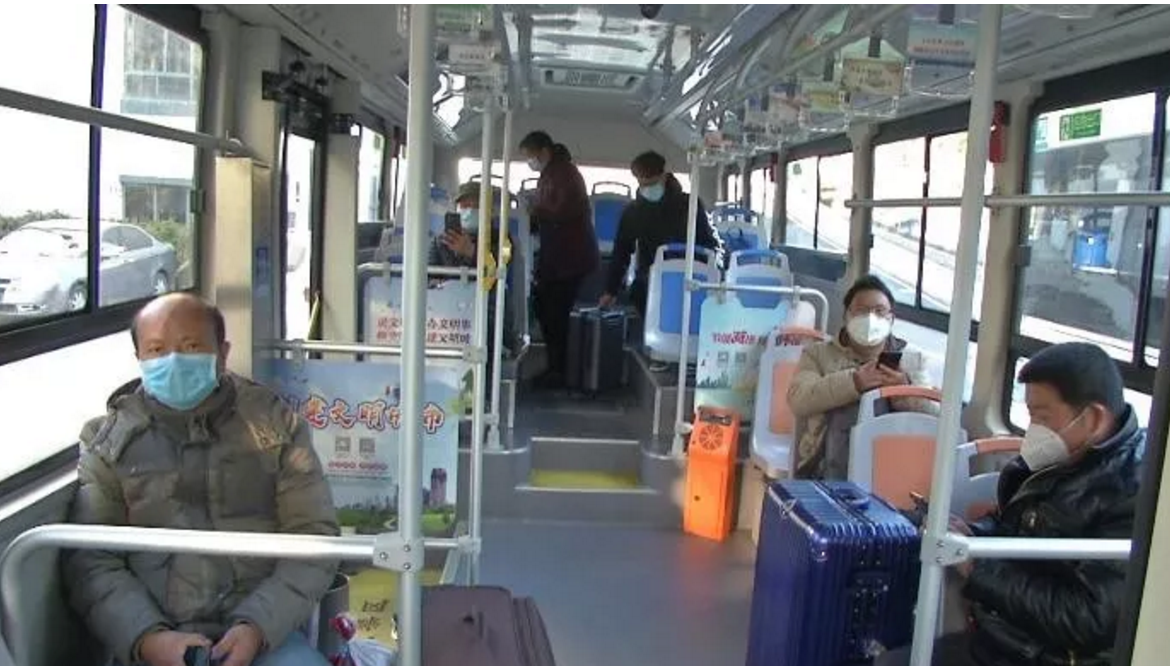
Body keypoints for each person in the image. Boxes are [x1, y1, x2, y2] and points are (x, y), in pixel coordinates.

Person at [63, 293, 339, 666]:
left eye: (191, 347)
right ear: (139, 358)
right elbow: (90, 560)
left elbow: (313, 537)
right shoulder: (109, 443)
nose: (173, 361)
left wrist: (257, 627)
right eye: (156, 350)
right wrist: (147, 638)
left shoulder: (274, 427)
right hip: (150, 639)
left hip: (262, 632)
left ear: (222, 354)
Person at [876, 342, 1146, 666]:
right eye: (1030, 416)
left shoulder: (1132, 495)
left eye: (1042, 417)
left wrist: (977, 566)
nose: (1033, 430)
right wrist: (972, 536)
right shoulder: (1060, 461)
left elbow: (1087, 619)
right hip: (1006, 637)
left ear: (1092, 419)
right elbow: (1015, 527)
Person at [787, 274, 935, 479]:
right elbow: (798, 399)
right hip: (823, 465)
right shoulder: (818, 354)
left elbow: (936, 416)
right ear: (847, 316)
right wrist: (854, 382)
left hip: (892, 471)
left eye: (879, 311)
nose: (871, 318)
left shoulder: (912, 360)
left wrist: (905, 393)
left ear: (891, 319)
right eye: (862, 311)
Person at [519, 130, 599, 388]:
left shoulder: (564, 174)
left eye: (531, 156)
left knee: (555, 314)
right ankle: (556, 368)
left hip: (570, 258)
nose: (530, 162)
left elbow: (560, 211)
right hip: (560, 257)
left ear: (544, 151)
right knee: (547, 309)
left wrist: (534, 211)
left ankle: (559, 372)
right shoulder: (552, 173)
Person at [599, 151, 721, 320]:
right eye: (643, 184)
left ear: (664, 176)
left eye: (653, 183)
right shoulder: (633, 212)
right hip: (650, 281)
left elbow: (706, 243)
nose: (648, 189)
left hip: (688, 277)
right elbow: (621, 252)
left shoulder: (690, 204)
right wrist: (611, 290)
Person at [430, 180, 519, 359]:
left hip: (488, 313)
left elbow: (499, 269)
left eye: (476, 206)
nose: (470, 210)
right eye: (464, 205)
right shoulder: (441, 242)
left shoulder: (503, 239)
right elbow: (428, 277)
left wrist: (471, 252)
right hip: (449, 312)